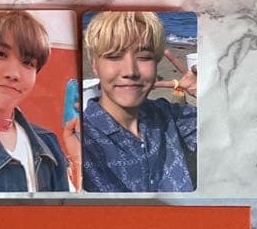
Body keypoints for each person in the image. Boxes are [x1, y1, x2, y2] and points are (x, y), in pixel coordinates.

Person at [82, 10, 196, 192]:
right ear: (94, 65)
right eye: (114, 56)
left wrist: (211, 93)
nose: (130, 71)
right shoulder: (82, 139)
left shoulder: (169, 116)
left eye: (144, 57)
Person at [0, 10, 77, 192]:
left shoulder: (48, 142)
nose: (13, 74)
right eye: (0, 54)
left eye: (27, 62)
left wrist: (78, 158)